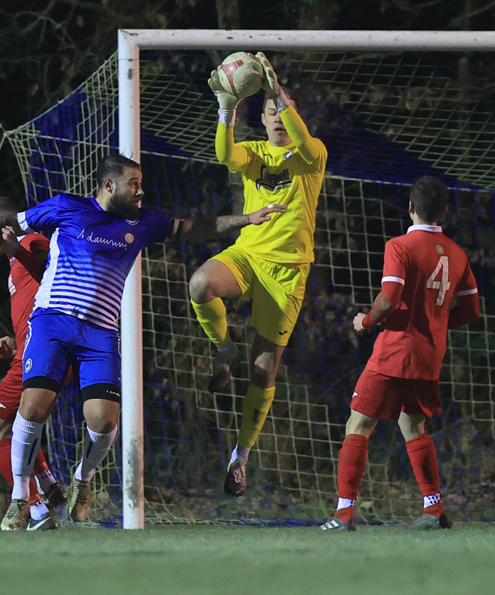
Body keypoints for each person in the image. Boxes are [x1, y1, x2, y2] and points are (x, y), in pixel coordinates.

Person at [0, 154, 286, 530]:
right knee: (31, 410)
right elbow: (13, 221)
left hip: (99, 333)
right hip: (52, 324)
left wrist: (246, 220)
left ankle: (84, 478)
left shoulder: (142, 223)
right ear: (108, 185)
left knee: (103, 423)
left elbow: (195, 226)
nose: (141, 190)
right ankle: (20, 499)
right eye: (133, 183)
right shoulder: (67, 207)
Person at [189, 52, 327, 497]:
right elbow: (225, 153)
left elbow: (304, 140)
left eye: (283, 111)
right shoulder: (255, 154)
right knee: (200, 284)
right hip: (248, 254)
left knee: (264, 372)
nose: (277, 119)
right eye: (269, 112)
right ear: (263, 120)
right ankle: (224, 350)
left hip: (286, 274)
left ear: (293, 116)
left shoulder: (312, 155)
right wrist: (226, 106)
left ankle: (240, 457)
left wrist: (278, 93)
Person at [321, 176, 479, 532]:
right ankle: (434, 508)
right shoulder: (457, 253)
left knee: (358, 424)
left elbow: (389, 299)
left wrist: (366, 321)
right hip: (430, 357)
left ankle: (343, 514)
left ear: (410, 207)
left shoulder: (399, 246)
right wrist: (435, 325)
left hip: (395, 351)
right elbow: (471, 311)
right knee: (413, 426)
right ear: (446, 211)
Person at [0, 196, 67, 531]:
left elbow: (54, 271)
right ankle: (47, 483)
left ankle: (37, 507)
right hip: (34, 352)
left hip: (45, 354)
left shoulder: (32, 242)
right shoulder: (18, 261)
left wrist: (17, 249)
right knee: (7, 416)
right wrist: (16, 342)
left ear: (3, 226)